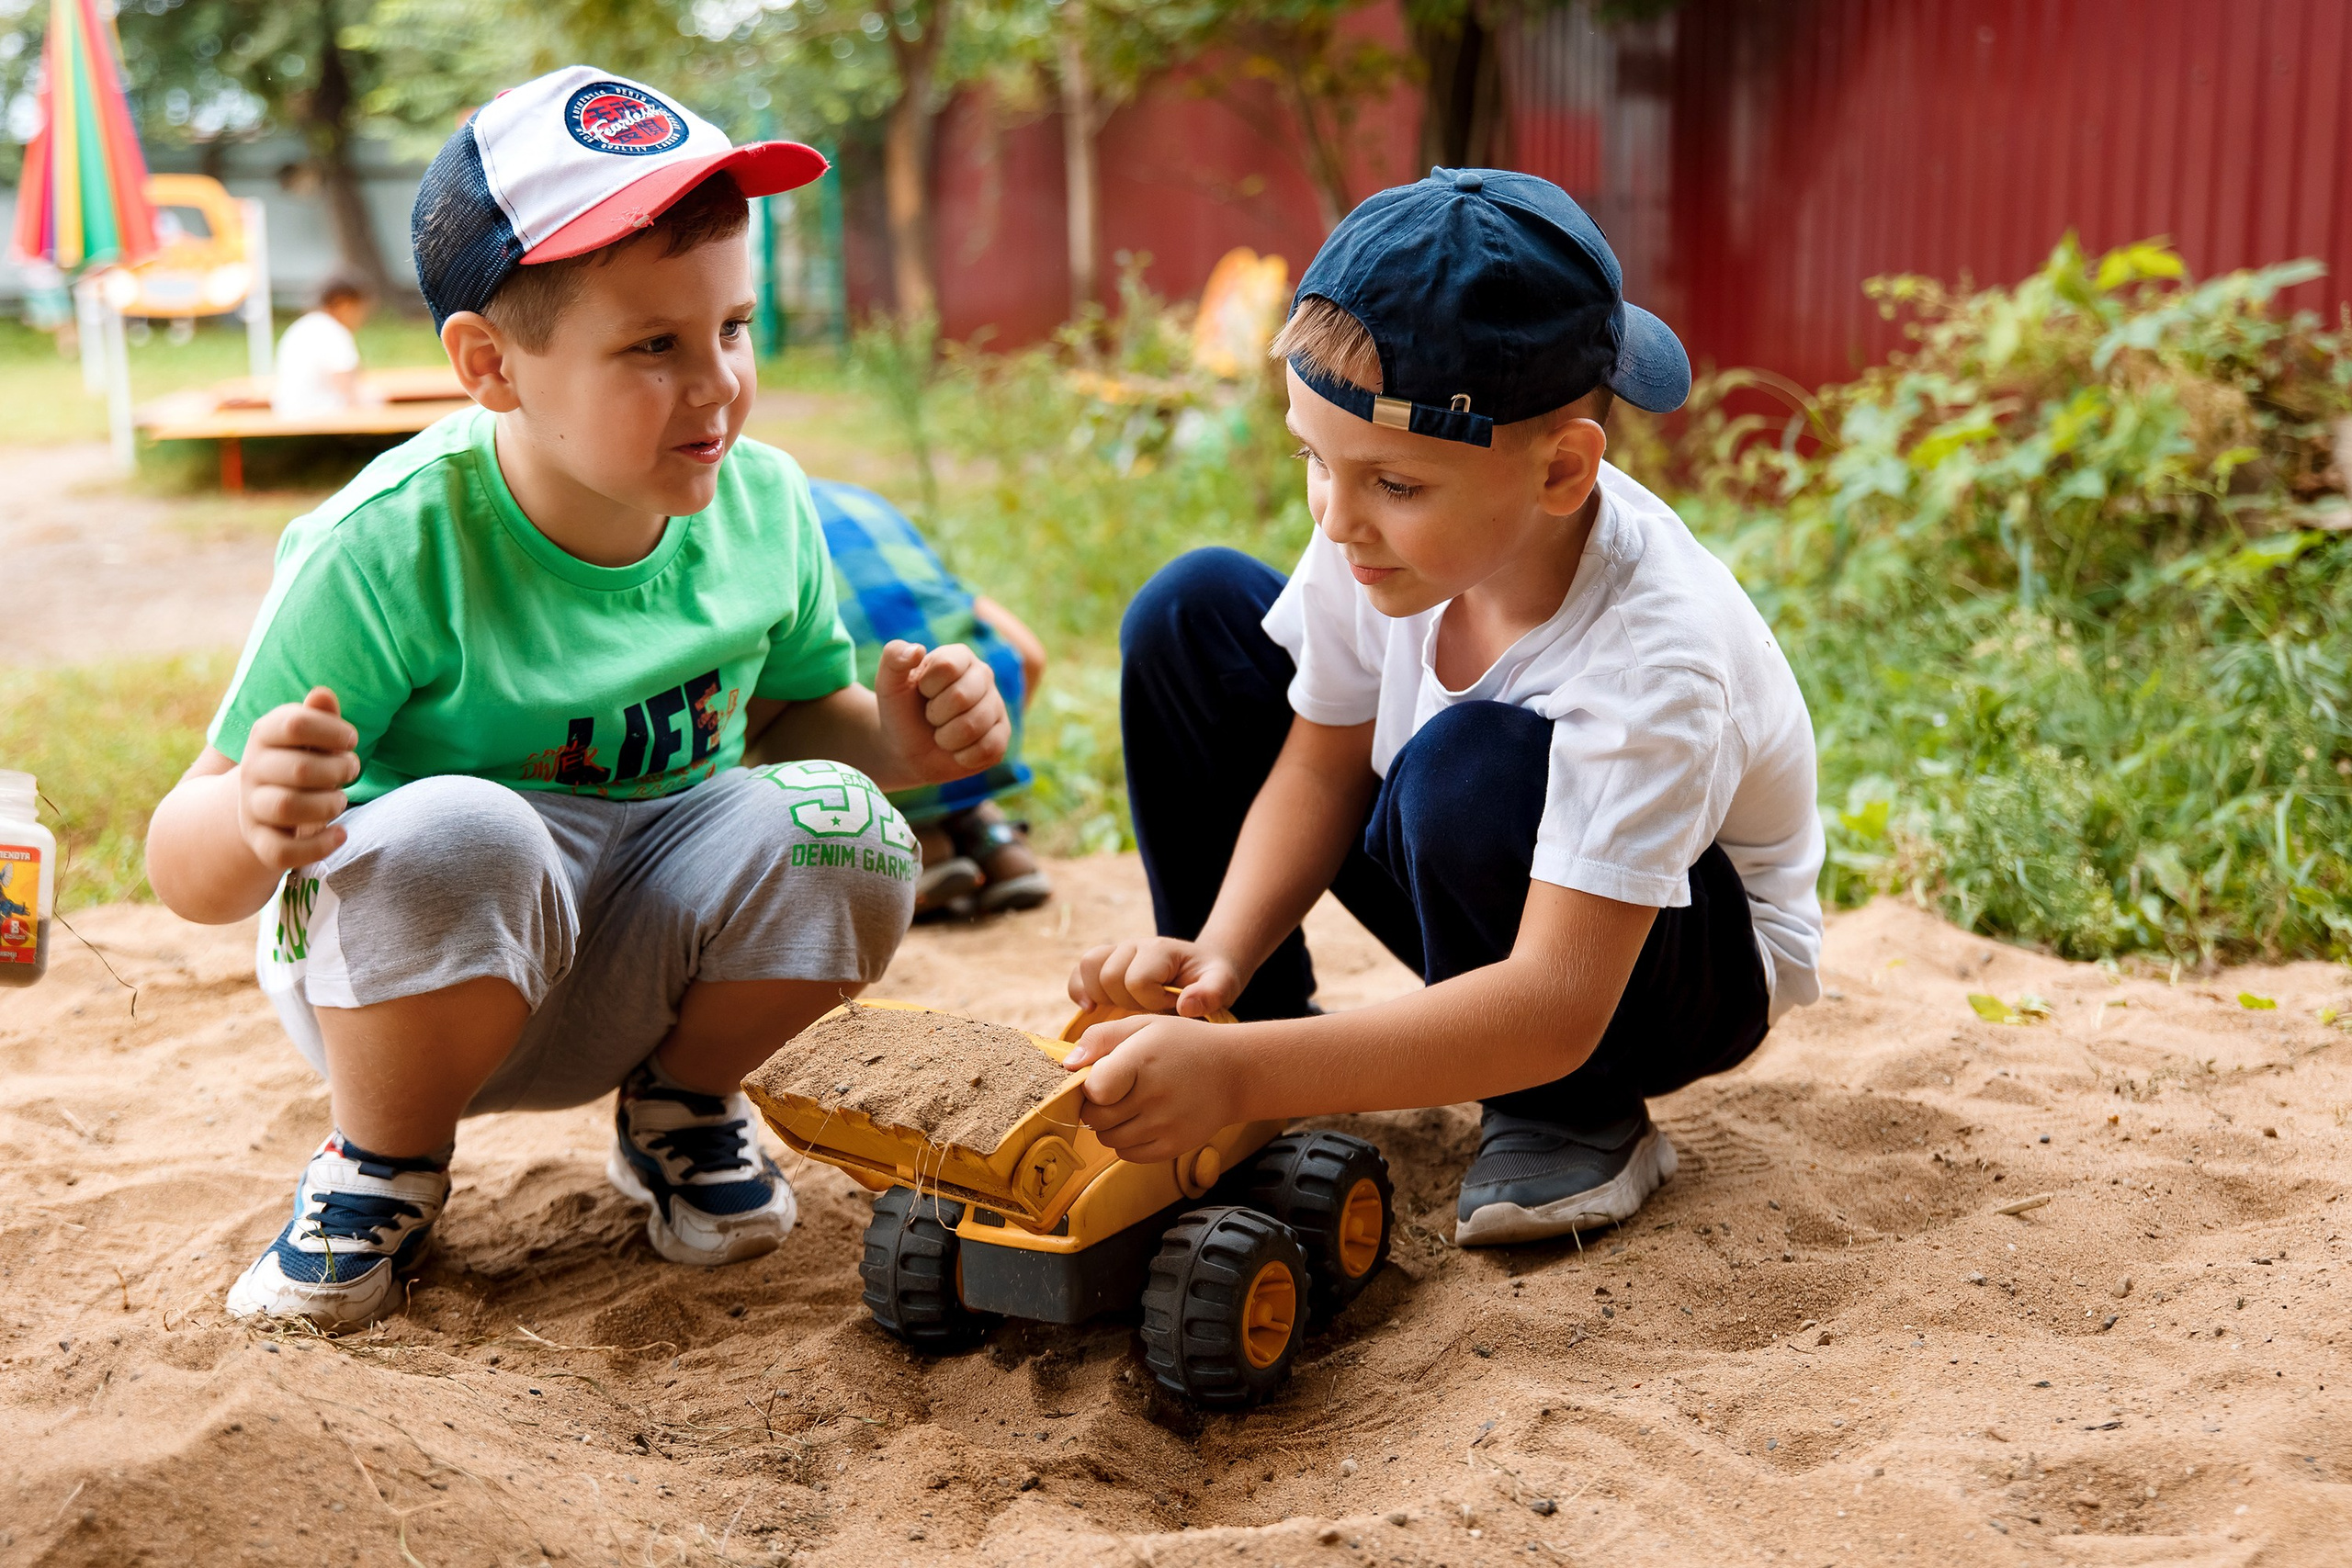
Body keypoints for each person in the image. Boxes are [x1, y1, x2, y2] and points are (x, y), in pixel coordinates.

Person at [143, 67, 1010, 1331]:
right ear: (491, 364)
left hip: (638, 956)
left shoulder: (765, 504)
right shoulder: (388, 544)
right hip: (415, 981)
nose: (716, 384)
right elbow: (184, 865)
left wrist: (897, 740)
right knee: (468, 827)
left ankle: (680, 1104)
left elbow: (795, 725)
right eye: (654, 346)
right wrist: (254, 817)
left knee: (849, 826)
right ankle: (380, 1163)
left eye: (733, 327)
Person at [1061, 168, 1824, 1246]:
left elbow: (1554, 1003)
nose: (1336, 518)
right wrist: (1221, 954)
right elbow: (1322, 763)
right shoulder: (1378, 536)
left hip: (1658, 975)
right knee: (1191, 611)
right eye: (1313, 460)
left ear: (1560, 472)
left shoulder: (1653, 660)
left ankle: (1569, 1114)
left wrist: (1239, 1076)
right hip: (1474, 881)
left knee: (1468, 764)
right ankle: (1230, 1023)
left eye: (1394, 484)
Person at [809, 478, 1051, 917]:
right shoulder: (860, 500)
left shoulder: (740, 523)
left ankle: (913, 838)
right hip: (982, 713)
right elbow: (1030, 656)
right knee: (946, 708)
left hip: (865, 752)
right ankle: (980, 824)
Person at [271, 275, 379, 418]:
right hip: (321, 419)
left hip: (289, 416)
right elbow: (348, 391)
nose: (362, 318)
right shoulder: (333, 331)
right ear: (344, 304)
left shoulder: (304, 326)